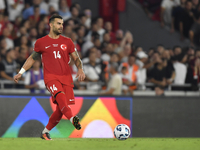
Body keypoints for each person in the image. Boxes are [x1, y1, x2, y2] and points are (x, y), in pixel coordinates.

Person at [14, 14, 85, 140]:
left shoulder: (67, 42)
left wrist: (80, 69)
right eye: (58, 23)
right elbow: (32, 58)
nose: (61, 26)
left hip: (66, 78)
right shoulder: (41, 42)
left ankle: (45, 132)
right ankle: (72, 118)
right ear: (51, 24)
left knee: (60, 110)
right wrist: (21, 72)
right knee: (61, 97)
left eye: (62, 24)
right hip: (51, 78)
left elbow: (76, 58)